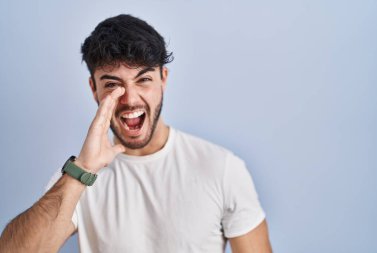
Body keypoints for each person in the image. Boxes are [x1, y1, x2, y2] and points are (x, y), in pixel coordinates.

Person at [0, 14, 272, 253]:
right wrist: (83, 168)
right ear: (93, 89)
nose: (130, 99)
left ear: (163, 78)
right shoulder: (77, 178)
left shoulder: (223, 169)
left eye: (143, 79)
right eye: (112, 85)